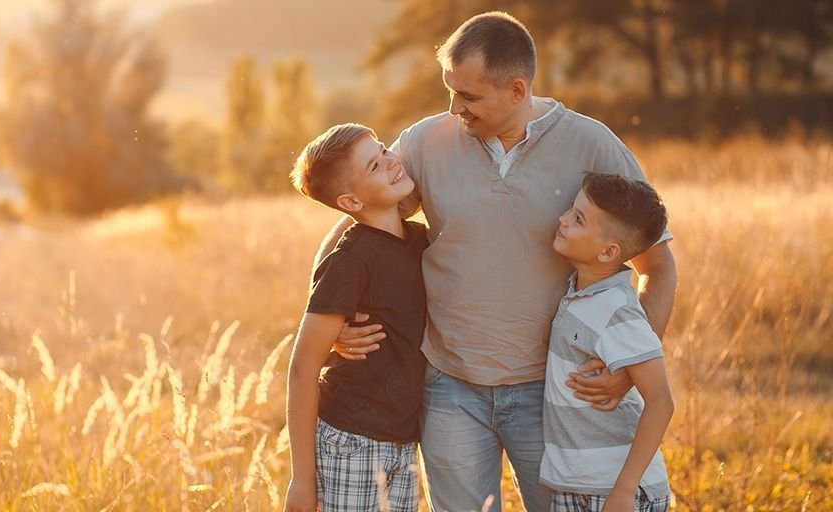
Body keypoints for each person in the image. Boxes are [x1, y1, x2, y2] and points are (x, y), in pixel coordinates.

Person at [318, 11, 677, 512]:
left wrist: (630, 366)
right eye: (449, 89)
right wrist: (330, 321)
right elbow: (353, 224)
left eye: (468, 96)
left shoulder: (592, 145)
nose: (453, 107)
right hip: (448, 389)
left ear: (516, 89)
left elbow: (657, 266)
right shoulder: (425, 141)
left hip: (553, 393)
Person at [284, 123, 429, 512]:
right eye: (374, 166)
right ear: (349, 202)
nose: (391, 162)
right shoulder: (350, 262)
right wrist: (302, 478)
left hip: (402, 442)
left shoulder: (418, 242)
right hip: (351, 442)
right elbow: (302, 368)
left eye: (383, 151)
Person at [542, 172, 673, 511]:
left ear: (608, 251)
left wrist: (624, 490)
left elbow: (660, 402)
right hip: (575, 484)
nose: (563, 219)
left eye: (578, 219)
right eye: (571, 210)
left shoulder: (618, 310)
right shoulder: (580, 294)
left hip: (613, 491)